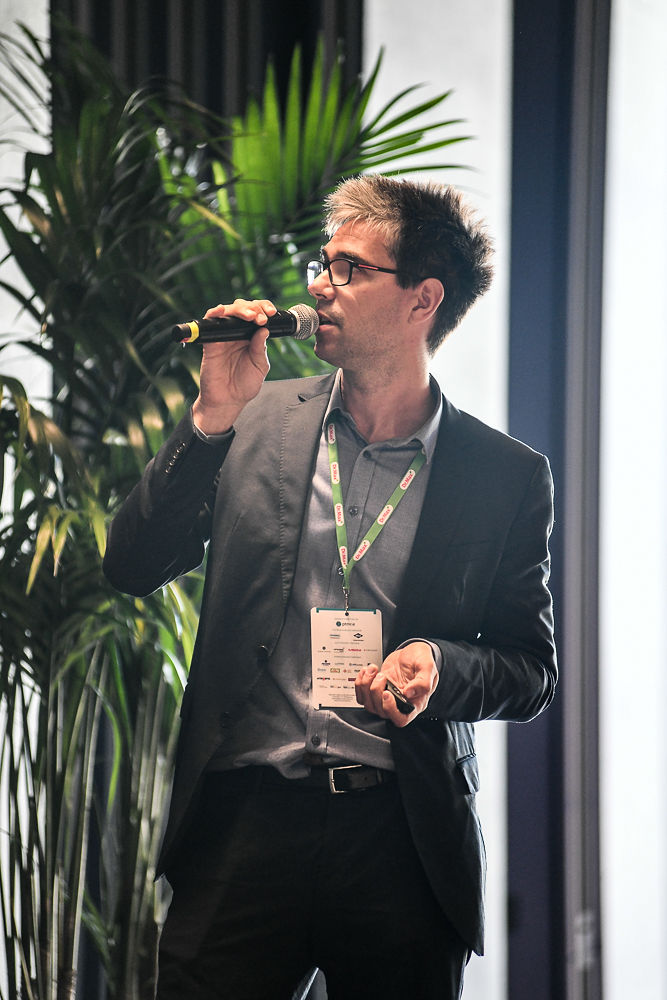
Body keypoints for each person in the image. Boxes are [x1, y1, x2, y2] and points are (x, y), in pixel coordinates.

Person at [103, 174, 557, 1000]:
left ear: (422, 300)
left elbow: (529, 670)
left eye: (350, 269)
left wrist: (438, 665)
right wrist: (210, 418)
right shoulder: (253, 418)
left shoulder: (505, 476)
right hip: (244, 823)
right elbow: (131, 565)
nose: (319, 286)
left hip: (400, 837)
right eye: (323, 264)